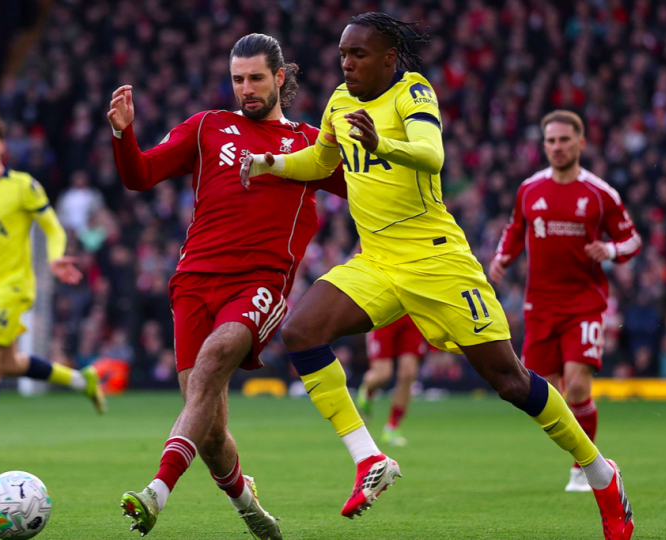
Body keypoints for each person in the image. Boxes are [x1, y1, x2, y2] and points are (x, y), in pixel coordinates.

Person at [242, 13, 634, 539]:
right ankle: (369, 459)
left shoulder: (413, 92)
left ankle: (602, 474)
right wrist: (271, 163)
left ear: (389, 58)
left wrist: (382, 145)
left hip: (437, 261)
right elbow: (320, 160)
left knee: (509, 381)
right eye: (342, 54)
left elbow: (432, 155)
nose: (347, 63)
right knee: (301, 330)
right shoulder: (338, 101)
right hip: (377, 260)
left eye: (358, 54)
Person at [107, 34, 345, 539]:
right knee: (210, 428)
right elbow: (140, 175)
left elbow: (366, 191)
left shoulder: (310, 145)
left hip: (260, 283)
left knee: (215, 359)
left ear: (280, 77)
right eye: (238, 79)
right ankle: (247, 504)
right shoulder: (207, 127)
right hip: (193, 281)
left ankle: (156, 491)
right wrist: (123, 135)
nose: (246, 89)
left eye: (256, 78)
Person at [0, 114, 104, 465]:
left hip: (14, 287)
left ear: (2, 147)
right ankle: (81, 381)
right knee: (8, 364)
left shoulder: (23, 185)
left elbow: (52, 227)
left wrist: (55, 258)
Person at [490, 110, 642, 492]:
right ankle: (581, 455)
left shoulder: (599, 194)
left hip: (584, 304)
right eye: (550, 141)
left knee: (577, 386)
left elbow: (632, 240)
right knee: (546, 394)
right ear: (543, 145)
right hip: (539, 306)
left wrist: (609, 250)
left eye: (564, 140)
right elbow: (515, 229)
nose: (557, 147)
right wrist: (503, 257)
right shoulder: (529, 189)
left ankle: (585, 467)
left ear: (581, 143)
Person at [357, 315, 426, 446]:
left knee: (408, 374)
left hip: (410, 316)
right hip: (384, 315)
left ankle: (392, 427)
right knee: (382, 375)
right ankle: (367, 390)